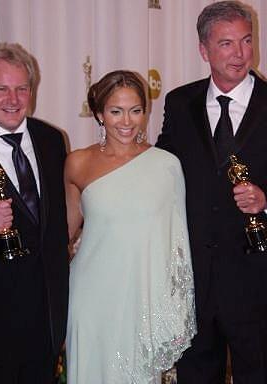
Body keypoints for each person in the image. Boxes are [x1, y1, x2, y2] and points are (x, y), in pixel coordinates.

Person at [156, 1, 267, 383]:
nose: (240, 53)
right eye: (226, 44)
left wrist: (266, 201)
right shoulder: (179, 102)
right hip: (194, 284)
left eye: (246, 41)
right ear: (203, 50)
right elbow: (161, 173)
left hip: (258, 281)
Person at [65, 70, 196, 384]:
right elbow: (66, 234)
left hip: (144, 298)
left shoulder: (166, 164)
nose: (127, 121)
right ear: (99, 114)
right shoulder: (77, 163)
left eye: (136, 111)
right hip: (91, 297)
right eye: (115, 111)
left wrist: (174, 306)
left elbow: (179, 244)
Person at [0, 43, 69, 383]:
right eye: (2, 89)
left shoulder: (51, 140)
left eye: (22, 89)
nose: (13, 99)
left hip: (45, 319)